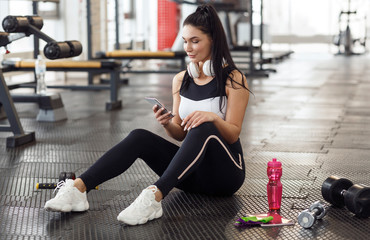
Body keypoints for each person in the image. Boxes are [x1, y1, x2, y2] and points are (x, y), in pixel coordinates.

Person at [44, 4, 251, 226]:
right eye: (185, 41)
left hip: (225, 176)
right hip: (190, 175)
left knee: (205, 127)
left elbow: (232, 134)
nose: (188, 48)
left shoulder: (234, 79)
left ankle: (154, 197)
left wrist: (213, 118)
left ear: (213, 40)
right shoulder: (181, 79)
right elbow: (181, 135)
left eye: (195, 41)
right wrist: (167, 124)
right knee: (139, 136)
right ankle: (79, 188)